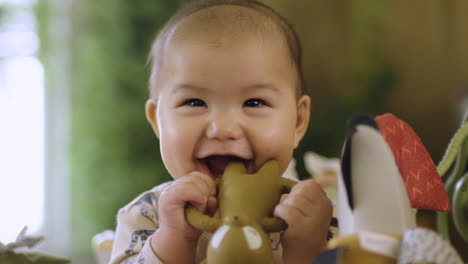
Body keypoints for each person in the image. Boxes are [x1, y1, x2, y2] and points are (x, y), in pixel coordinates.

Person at [110, 0, 332, 263]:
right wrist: (173, 239)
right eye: (194, 102)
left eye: (254, 103)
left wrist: (308, 250)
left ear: (297, 122)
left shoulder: (319, 217)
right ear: (158, 121)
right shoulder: (148, 214)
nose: (223, 130)